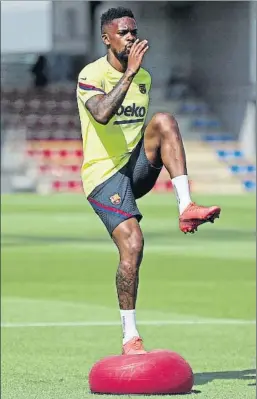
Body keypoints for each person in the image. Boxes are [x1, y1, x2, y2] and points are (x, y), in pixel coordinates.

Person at [76, 7, 221, 355]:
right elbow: (101, 113)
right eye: (123, 32)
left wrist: (134, 75)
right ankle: (130, 338)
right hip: (104, 176)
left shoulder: (145, 78)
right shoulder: (91, 74)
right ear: (106, 37)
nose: (130, 37)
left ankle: (186, 205)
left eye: (133, 31)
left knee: (164, 120)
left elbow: (141, 132)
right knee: (134, 245)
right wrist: (128, 75)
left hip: (134, 169)